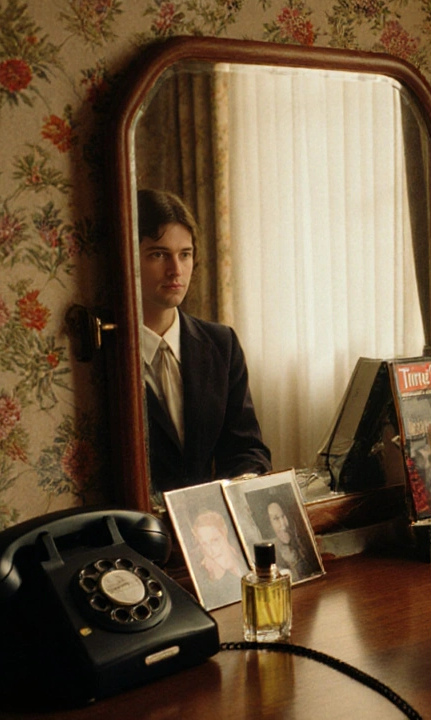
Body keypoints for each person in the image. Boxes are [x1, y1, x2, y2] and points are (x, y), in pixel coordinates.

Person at [138, 188, 271, 494]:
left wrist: (241, 488)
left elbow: (247, 449)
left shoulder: (221, 343)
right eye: (158, 254)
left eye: (185, 254)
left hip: (208, 524)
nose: (176, 270)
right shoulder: (106, 351)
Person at [189, 509, 248, 607]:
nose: (212, 552)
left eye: (215, 541)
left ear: (224, 532)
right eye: (205, 544)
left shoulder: (246, 559)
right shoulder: (214, 587)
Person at [258, 496, 317, 581]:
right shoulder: (273, 553)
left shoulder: (302, 541)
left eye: (283, 516)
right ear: (270, 525)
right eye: (276, 519)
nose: (283, 524)